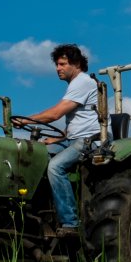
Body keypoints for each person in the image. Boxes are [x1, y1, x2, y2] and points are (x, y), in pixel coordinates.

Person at [13, 44, 99, 237]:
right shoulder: (75, 84)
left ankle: (70, 222)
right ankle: (38, 211)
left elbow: (56, 114)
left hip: (90, 141)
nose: (57, 68)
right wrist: (56, 139)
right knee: (36, 155)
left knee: (55, 167)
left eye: (62, 64)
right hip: (74, 138)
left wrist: (27, 120)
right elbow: (77, 122)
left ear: (76, 64)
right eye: (57, 64)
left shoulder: (83, 82)